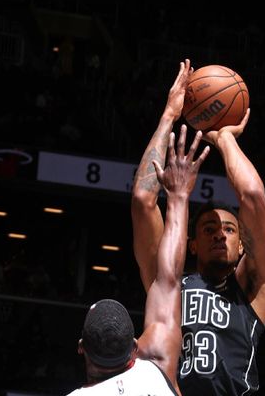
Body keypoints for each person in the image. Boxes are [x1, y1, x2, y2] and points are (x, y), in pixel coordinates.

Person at [132, 59, 265, 395]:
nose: (219, 234)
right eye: (209, 229)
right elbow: (143, 200)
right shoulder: (167, 282)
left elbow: (254, 196)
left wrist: (225, 138)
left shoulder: (253, 287)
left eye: (229, 229)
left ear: (243, 244)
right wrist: (169, 116)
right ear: (192, 243)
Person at [70, 125, 210, 395]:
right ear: (135, 346)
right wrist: (179, 196)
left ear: (81, 347)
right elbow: (168, 279)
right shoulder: (155, 369)